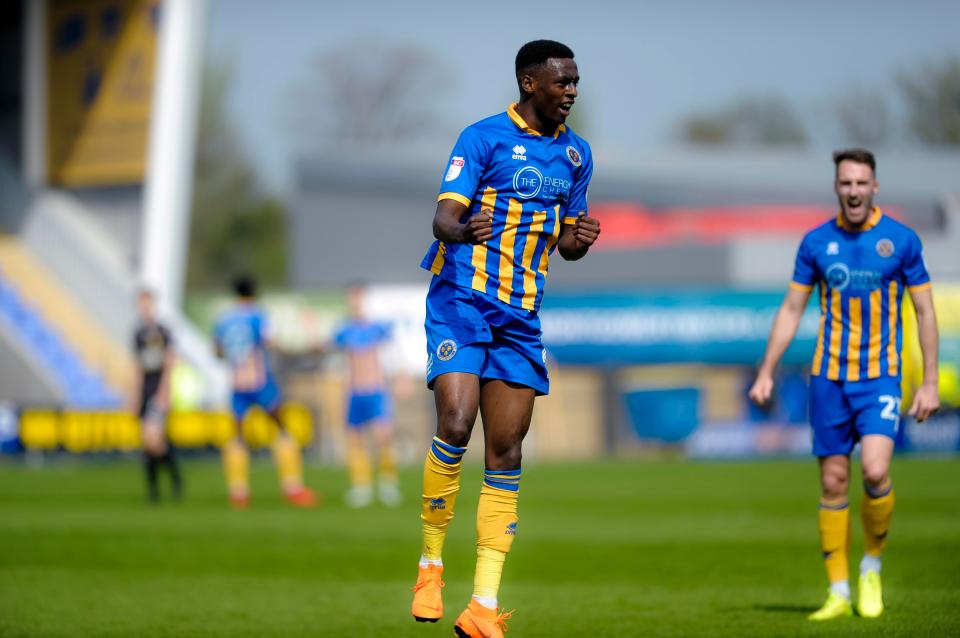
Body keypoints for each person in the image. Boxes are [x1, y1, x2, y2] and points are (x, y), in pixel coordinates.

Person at [409, 40, 600, 638]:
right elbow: (443, 216)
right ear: (529, 83)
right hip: (461, 299)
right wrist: (462, 231)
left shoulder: (576, 155)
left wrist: (581, 239)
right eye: (561, 81)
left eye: (575, 80)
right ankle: (431, 565)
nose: (571, 90)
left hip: (521, 314)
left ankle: (483, 606)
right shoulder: (482, 138)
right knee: (457, 424)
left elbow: (566, 242)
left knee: (507, 449)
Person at [748, 149, 940, 621]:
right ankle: (837, 590)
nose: (853, 191)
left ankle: (871, 568)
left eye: (861, 183)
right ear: (837, 188)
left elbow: (925, 311)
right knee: (834, 482)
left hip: (880, 378)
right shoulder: (816, 242)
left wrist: (930, 381)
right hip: (829, 379)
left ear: (875, 187)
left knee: (875, 471)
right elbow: (792, 309)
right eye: (845, 183)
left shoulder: (901, 240)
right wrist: (766, 369)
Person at [213, 275, 318, 509]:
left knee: (237, 434)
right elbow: (270, 343)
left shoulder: (224, 319)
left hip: (237, 384)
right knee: (281, 428)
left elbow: (217, 351)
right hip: (260, 381)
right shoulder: (258, 315)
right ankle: (293, 487)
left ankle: (238, 492)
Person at [332, 284, 402, 508]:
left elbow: (393, 352)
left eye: (358, 299)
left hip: (376, 390)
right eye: (352, 299)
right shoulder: (344, 330)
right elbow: (337, 358)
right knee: (355, 439)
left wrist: (401, 376)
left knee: (384, 436)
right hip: (354, 392)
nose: (355, 303)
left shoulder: (377, 328)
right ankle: (361, 485)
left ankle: (388, 483)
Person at [132, 289, 182, 503]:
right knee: (151, 442)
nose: (145, 308)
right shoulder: (137, 333)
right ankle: (159, 485)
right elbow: (136, 366)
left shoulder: (162, 331)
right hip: (145, 391)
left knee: (152, 438)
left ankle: (170, 480)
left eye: (147, 303)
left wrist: (165, 391)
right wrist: (134, 395)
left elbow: (170, 362)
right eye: (141, 304)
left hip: (158, 391)